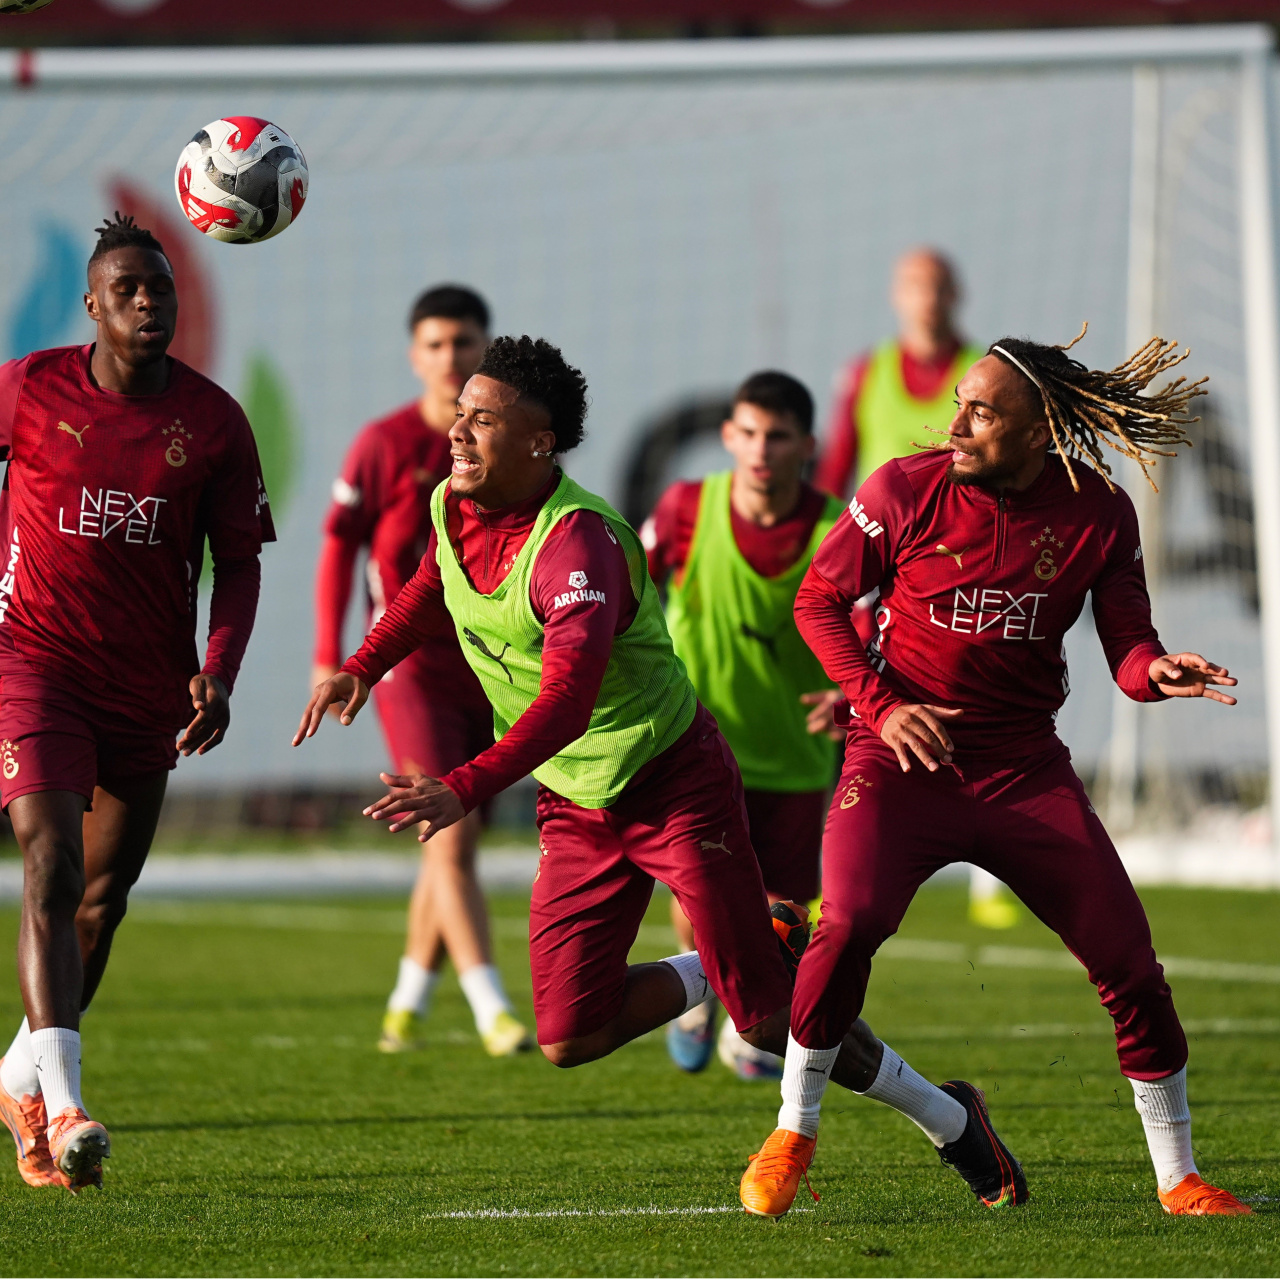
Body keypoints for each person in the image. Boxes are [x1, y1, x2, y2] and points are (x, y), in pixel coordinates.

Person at [293, 337, 1020, 1210]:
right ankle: (738, 953)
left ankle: (950, 1119)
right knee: (569, 1035)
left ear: (541, 442)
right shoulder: (453, 502)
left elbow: (566, 702)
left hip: (671, 782)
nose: (458, 431)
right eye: (461, 414)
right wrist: (362, 665)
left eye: (482, 419)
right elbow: (429, 583)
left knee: (764, 1020)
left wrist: (463, 786)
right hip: (577, 800)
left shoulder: (579, 545)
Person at [739, 328, 1252, 1220]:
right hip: (899, 760)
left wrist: (1155, 671)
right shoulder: (905, 489)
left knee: (1131, 966)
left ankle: (1179, 1178)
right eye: (959, 406)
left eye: (981, 412)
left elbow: (1129, 645)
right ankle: (792, 1132)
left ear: (1039, 428)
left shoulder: (1100, 511)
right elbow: (819, 600)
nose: (957, 425)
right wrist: (881, 705)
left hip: (1022, 769)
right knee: (847, 924)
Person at [0, 214, 274, 1193]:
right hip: (32, 664)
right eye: (128, 289)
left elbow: (239, 562)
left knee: (100, 903)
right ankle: (67, 1104)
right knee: (50, 861)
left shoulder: (214, 422)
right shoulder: (30, 388)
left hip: (146, 688)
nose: (149, 302)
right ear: (92, 305)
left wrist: (219, 669)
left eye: (160, 287)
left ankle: (18, 1080)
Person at [313, 284, 529, 1058]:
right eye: (435, 344)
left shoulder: (509, 446)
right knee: (453, 836)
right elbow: (340, 544)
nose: (449, 357)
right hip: (408, 671)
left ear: (485, 353)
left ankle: (407, 1001)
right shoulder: (384, 443)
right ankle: (494, 1009)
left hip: (491, 665)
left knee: (453, 841)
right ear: (414, 356)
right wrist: (329, 653)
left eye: (463, 343)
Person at [641, 371, 844, 1079]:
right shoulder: (685, 508)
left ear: (807, 446)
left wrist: (851, 690)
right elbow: (627, 589)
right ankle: (700, 1000)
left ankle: (741, 1023)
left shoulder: (836, 529)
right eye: (749, 433)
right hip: (695, 746)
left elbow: (874, 624)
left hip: (794, 752)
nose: (761, 450)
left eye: (778, 436)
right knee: (697, 894)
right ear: (728, 436)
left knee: (787, 912)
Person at [816, 247, 1014, 929]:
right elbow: (836, 468)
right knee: (861, 701)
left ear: (956, 294)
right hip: (884, 564)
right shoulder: (866, 373)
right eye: (915, 286)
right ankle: (846, 862)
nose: (927, 299)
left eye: (938, 286)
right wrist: (826, 553)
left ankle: (991, 876)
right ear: (897, 296)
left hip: (972, 563)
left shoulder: (984, 371)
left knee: (985, 697)